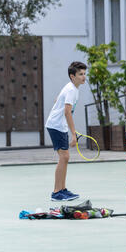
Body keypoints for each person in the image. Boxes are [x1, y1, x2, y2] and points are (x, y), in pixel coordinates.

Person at [45, 61, 87, 202]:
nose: (83, 77)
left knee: (65, 157)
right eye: (80, 74)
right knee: (64, 157)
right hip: (56, 125)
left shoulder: (72, 88)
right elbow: (67, 112)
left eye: (84, 74)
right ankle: (57, 192)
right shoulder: (71, 90)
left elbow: (58, 99)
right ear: (72, 76)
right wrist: (74, 134)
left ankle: (62, 189)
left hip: (59, 125)